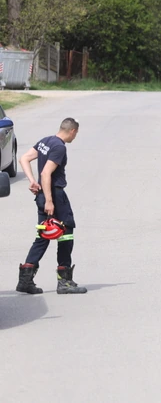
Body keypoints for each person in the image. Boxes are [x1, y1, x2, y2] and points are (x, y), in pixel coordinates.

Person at [16, 117, 86, 295]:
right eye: (75, 134)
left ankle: (25, 279)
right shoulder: (59, 147)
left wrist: (33, 182)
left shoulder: (46, 141)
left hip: (42, 193)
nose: (74, 137)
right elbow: (46, 173)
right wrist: (49, 200)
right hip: (54, 195)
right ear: (72, 131)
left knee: (44, 234)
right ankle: (65, 281)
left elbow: (24, 158)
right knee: (66, 232)